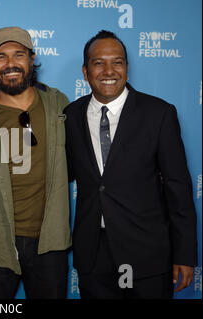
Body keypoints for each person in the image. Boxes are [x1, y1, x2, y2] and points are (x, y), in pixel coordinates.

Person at [64, 30, 198, 299]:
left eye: (118, 62)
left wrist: (184, 254)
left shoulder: (158, 113)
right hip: (93, 254)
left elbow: (178, 187)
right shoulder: (71, 115)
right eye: (99, 62)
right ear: (85, 71)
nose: (109, 70)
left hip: (146, 253)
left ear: (126, 67)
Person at [0, 26, 71, 299]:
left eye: (18, 55)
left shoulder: (58, 105)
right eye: (0, 57)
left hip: (50, 244)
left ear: (31, 59)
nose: (10, 64)